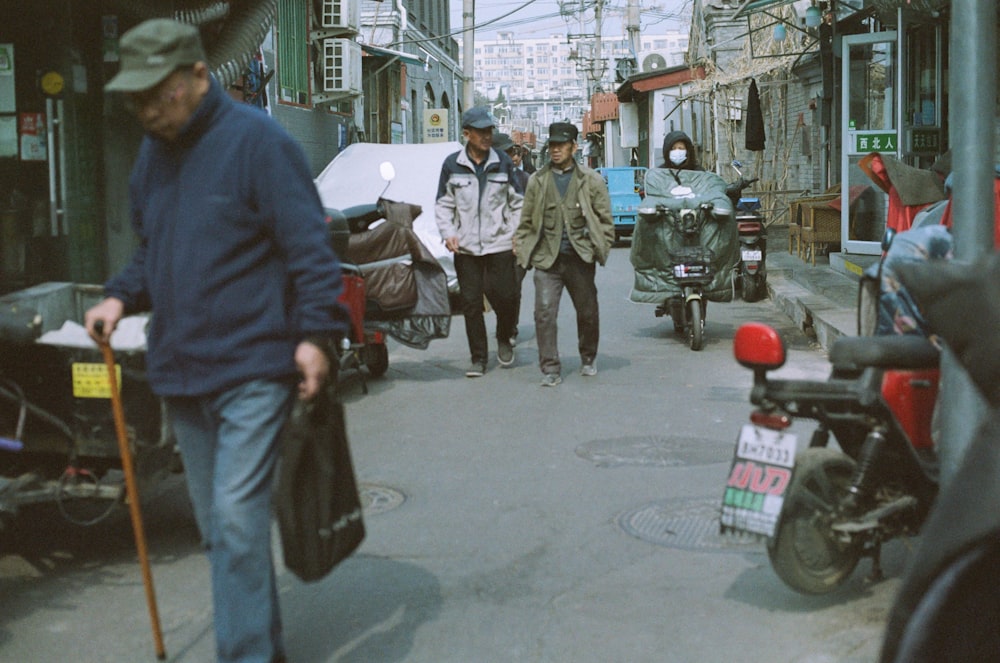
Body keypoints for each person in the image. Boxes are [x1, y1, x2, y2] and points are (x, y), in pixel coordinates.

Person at [84, 19, 349, 663]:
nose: (147, 109)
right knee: (223, 534)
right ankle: (266, 646)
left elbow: (310, 251)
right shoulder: (153, 154)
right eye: (136, 97)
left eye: (159, 93)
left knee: (234, 523)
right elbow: (154, 252)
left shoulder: (259, 144)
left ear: (199, 76)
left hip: (256, 367)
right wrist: (119, 294)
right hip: (182, 372)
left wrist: (318, 334)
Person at [514, 121, 615, 387]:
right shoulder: (537, 180)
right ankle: (550, 368)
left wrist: (599, 248)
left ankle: (588, 357)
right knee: (544, 313)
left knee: (587, 312)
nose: (556, 150)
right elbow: (525, 221)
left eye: (561, 145)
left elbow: (605, 219)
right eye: (553, 146)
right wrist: (523, 252)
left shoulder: (590, 180)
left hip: (580, 258)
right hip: (547, 260)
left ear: (574, 147)